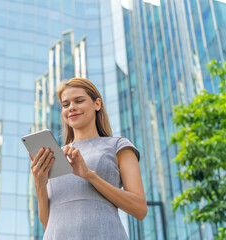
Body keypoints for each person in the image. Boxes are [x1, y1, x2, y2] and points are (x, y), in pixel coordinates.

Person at [28, 78, 147, 239]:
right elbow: (49, 223)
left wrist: (89, 175)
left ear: (97, 104)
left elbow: (140, 209)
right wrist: (39, 183)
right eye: (66, 104)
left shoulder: (118, 146)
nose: (71, 108)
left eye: (79, 101)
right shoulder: (55, 156)